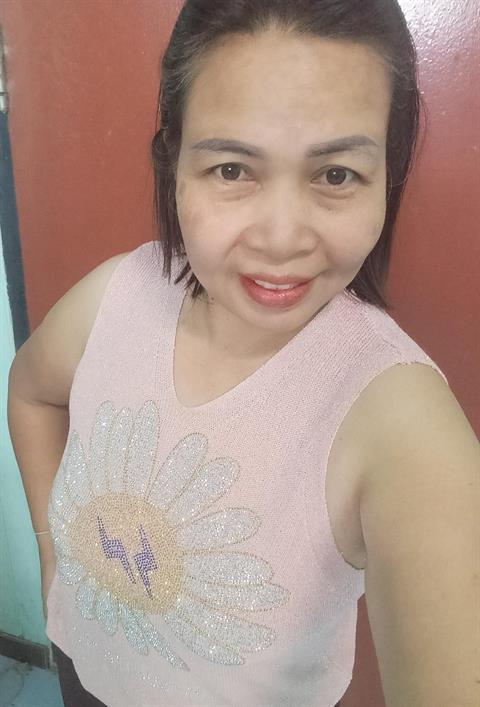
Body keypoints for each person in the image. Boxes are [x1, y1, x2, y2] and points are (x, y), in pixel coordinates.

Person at [7, 1, 479, 706]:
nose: (282, 238)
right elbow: (30, 392)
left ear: (387, 177)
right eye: (232, 169)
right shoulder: (116, 296)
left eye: (336, 174)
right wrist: (52, 550)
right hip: (83, 676)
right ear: (173, 165)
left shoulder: (397, 418)